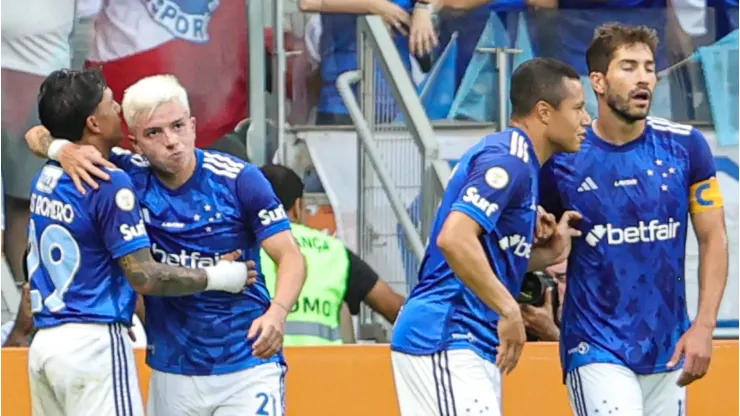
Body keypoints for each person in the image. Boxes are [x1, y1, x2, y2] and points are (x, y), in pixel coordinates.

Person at [25, 74, 308, 416]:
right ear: (134, 143)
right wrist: (62, 149)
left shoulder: (239, 179)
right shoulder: (120, 174)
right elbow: (37, 133)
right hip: (172, 370)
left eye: (177, 126)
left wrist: (278, 313)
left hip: (245, 363)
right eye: (154, 133)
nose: (171, 141)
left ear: (192, 125)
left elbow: (290, 255)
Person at [539, 23, 729, 415]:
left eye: (648, 66)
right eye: (628, 66)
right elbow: (536, 240)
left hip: (669, 347)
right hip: (595, 345)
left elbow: (714, 239)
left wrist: (704, 328)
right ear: (598, 81)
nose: (643, 77)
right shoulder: (562, 160)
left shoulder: (686, 147)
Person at [389, 57, 591, 416]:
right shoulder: (508, 162)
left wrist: (548, 254)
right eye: (578, 108)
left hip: (466, 340)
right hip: (447, 333)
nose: (586, 120)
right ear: (544, 112)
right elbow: (453, 239)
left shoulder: (522, 164)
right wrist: (508, 307)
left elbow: (484, 255)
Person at [258, 163, 406, 345]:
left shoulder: (240, 249)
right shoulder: (333, 251)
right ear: (298, 206)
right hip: (326, 369)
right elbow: (391, 306)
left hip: (261, 369)